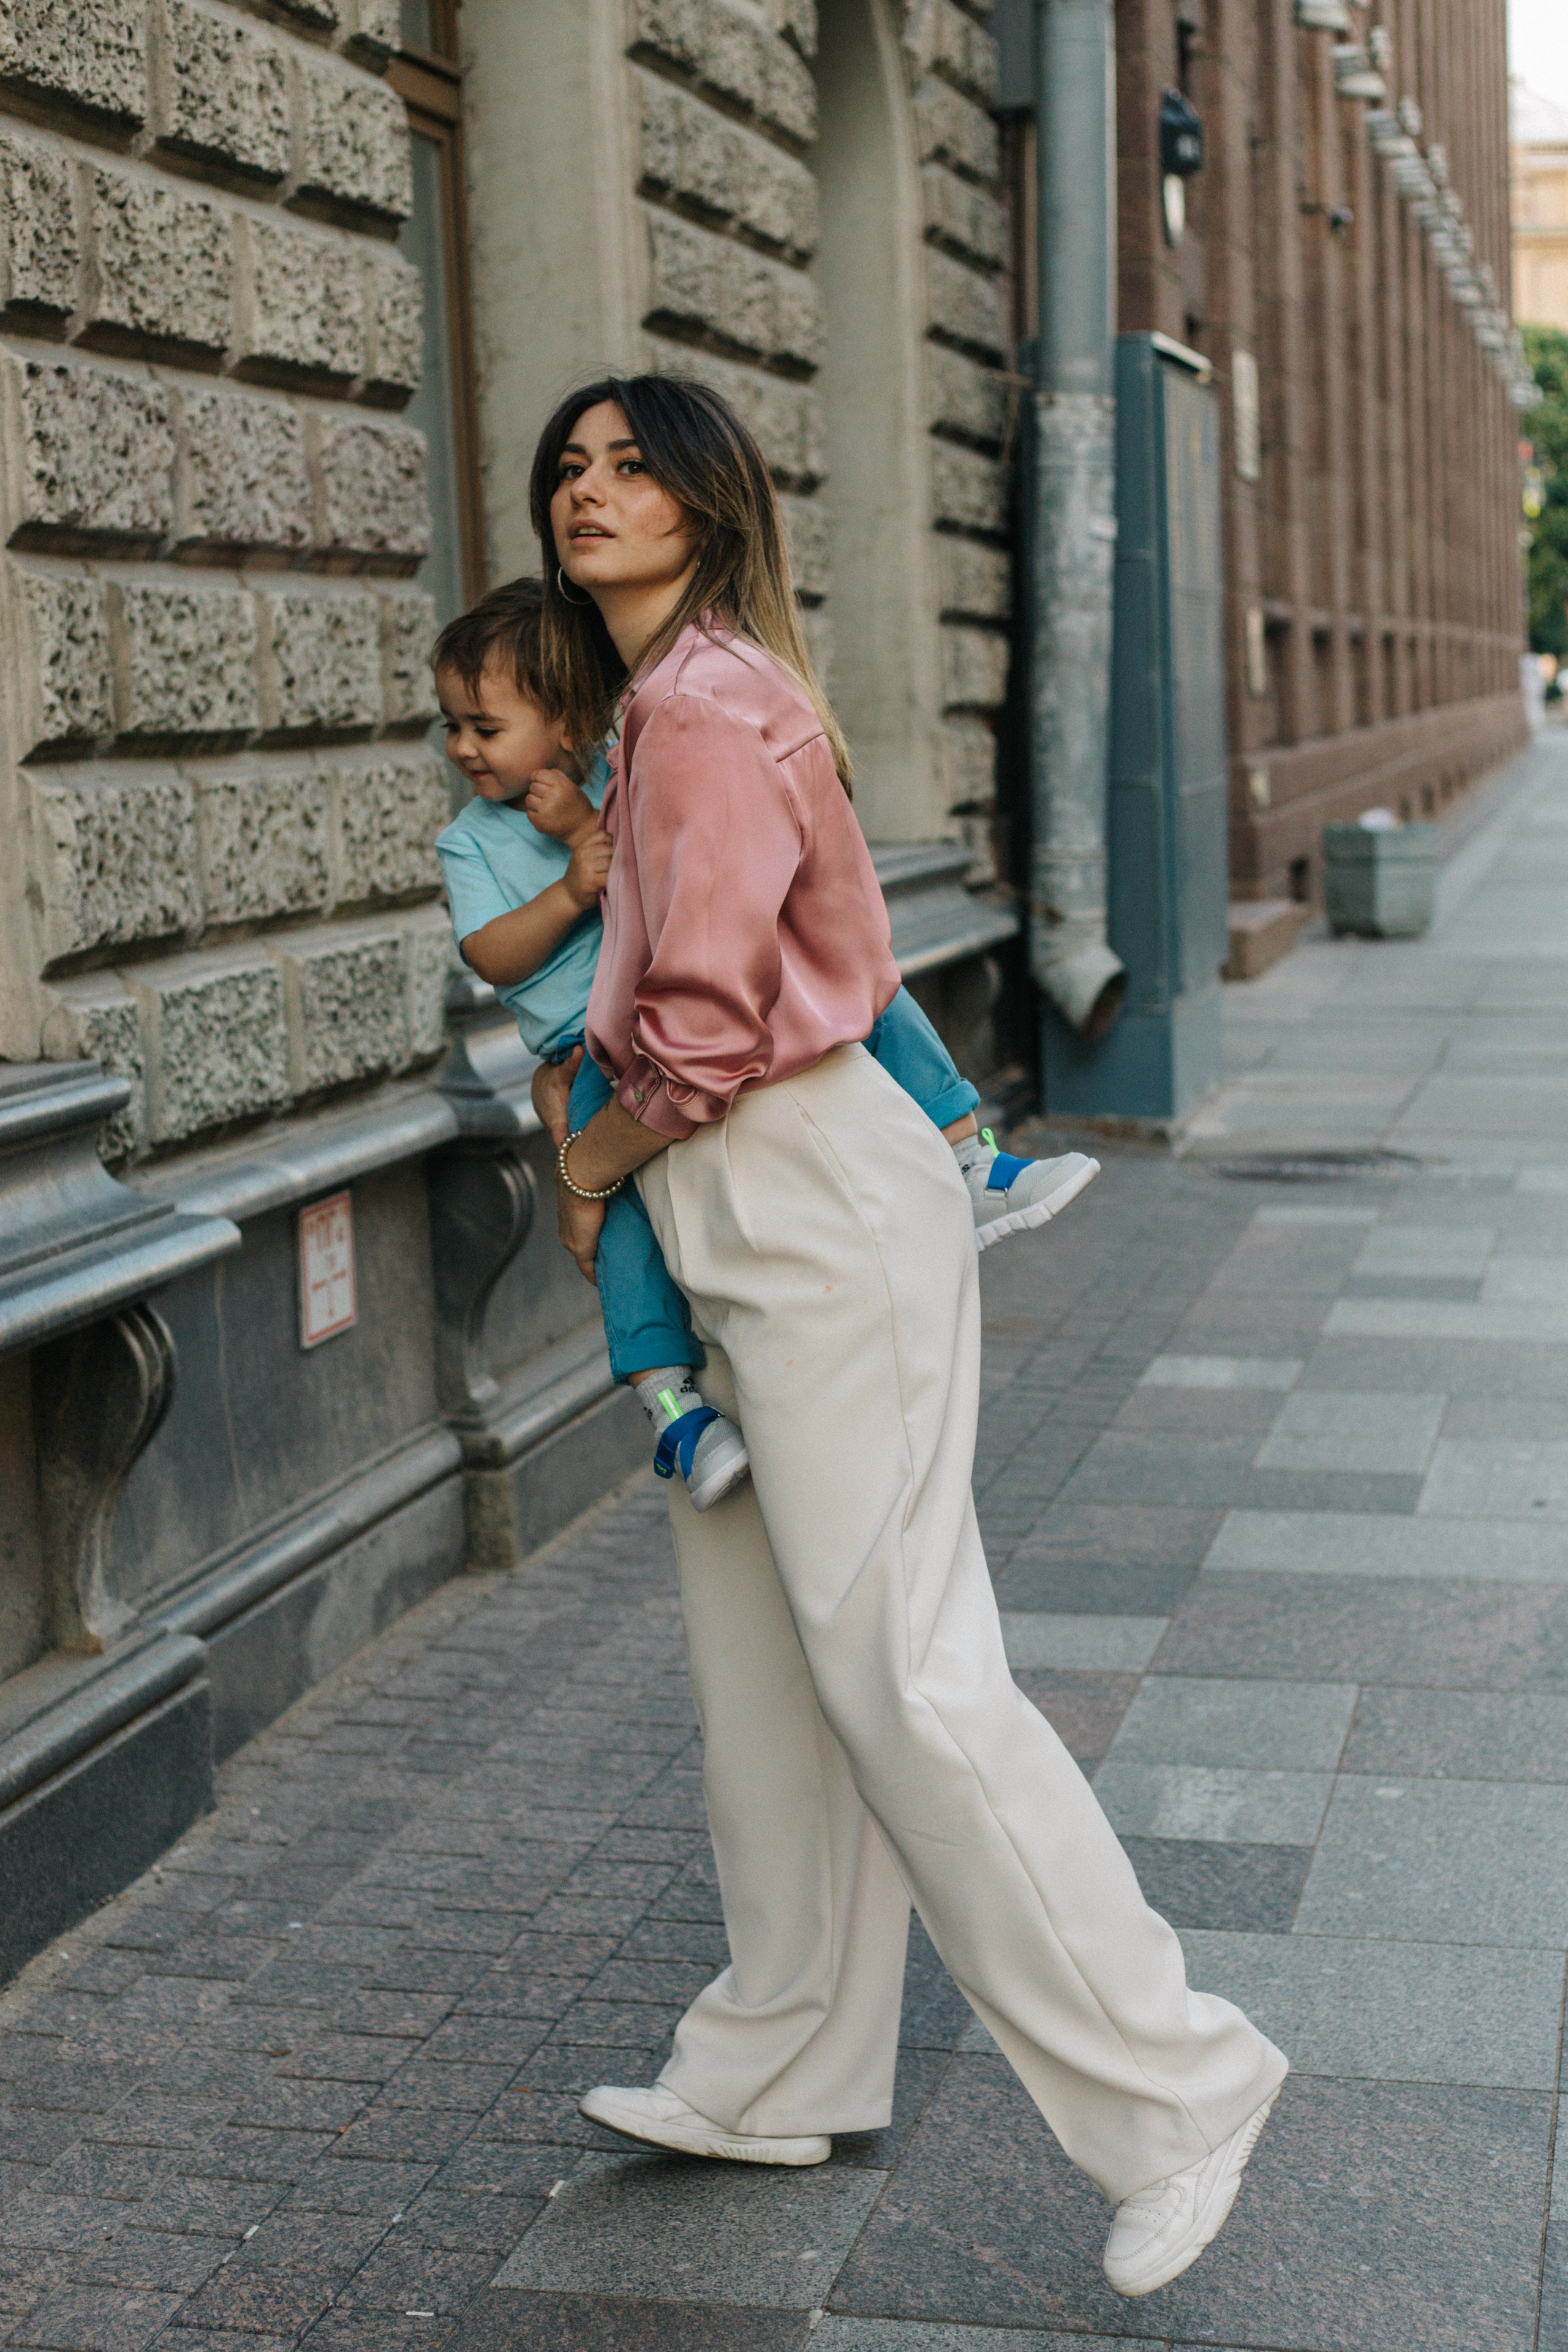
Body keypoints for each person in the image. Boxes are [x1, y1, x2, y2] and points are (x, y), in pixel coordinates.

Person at [526, 371, 1287, 2302]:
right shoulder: (675, 704)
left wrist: (593, 1167)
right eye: (568, 467)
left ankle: (1179, 2086)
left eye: (631, 465)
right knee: (772, 1676)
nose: (586, 490)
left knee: (905, 1675)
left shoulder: (698, 709)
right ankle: (779, 2059)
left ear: (709, 501)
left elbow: (697, 1032)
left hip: (794, 1195)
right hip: (753, 1205)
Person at [432, 578, 1099, 1513]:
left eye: (485, 727)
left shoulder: (621, 770)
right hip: (591, 1058)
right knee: (614, 1228)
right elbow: (486, 952)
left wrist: (587, 829)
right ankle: (670, 1405)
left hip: (676, 1021)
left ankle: (968, 1154)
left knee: (865, 985)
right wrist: (567, 891)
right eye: (452, 726)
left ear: (568, 718)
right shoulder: (471, 841)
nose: (463, 748)